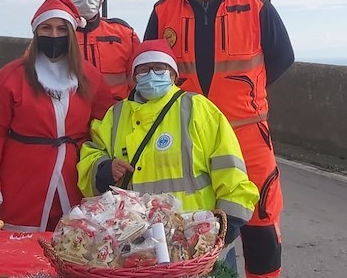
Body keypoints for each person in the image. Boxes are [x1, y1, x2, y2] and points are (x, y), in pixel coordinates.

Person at [143, 0, 295, 278]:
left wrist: (246, 92)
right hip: (187, 136)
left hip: (248, 135)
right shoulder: (164, 10)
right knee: (192, 227)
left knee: (261, 225)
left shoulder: (255, 5)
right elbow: (150, 63)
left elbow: (282, 56)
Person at [77, 39, 260, 246]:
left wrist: (227, 225)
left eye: (159, 68)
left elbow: (230, 169)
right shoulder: (115, 115)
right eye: (143, 70)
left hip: (194, 237)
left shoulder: (197, 109)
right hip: (133, 241)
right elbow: (92, 152)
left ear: (173, 75)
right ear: (134, 77)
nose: (151, 74)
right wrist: (104, 168)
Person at [0, 0, 115, 232]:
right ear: (36, 32)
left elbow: (107, 126)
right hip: (22, 180)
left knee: (75, 244)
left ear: (71, 32)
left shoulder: (89, 77)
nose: (54, 35)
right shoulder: (10, 77)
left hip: (74, 177)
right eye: (47, 27)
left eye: (61, 28)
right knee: (19, 248)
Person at [64, 0, 140, 101]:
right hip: (72, 117)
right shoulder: (55, 33)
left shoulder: (124, 34)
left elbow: (140, 78)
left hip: (117, 116)